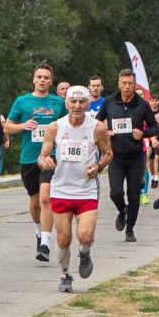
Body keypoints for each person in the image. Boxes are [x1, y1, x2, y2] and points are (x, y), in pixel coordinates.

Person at [39, 87, 113, 292]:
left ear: (88, 104)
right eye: (73, 102)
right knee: (63, 238)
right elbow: (43, 155)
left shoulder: (97, 128)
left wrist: (98, 167)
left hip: (86, 190)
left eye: (82, 102)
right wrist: (44, 161)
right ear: (67, 103)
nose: (77, 106)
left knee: (85, 236)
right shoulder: (55, 127)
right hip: (61, 189)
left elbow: (108, 153)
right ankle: (65, 274)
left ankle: (85, 252)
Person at [5, 64, 67, 261]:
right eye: (39, 77)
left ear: (51, 81)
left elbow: (67, 127)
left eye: (46, 77)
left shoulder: (58, 102)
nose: (42, 80)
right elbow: (7, 126)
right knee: (34, 203)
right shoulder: (22, 101)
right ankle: (39, 231)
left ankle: (46, 244)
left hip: (51, 156)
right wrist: (23, 125)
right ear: (33, 79)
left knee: (45, 198)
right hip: (29, 158)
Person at [95, 70, 159, 242]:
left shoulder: (142, 105)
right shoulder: (109, 102)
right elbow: (96, 123)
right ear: (119, 84)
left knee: (133, 195)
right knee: (115, 192)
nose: (127, 87)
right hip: (115, 156)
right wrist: (105, 131)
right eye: (124, 83)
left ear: (135, 84)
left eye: (130, 83)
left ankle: (130, 229)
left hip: (136, 157)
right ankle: (122, 210)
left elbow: (155, 127)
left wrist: (144, 134)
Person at [146, 93, 159, 191]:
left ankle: (156, 178)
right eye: (152, 100)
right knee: (150, 160)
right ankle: (153, 176)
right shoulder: (147, 112)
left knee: (157, 157)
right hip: (149, 137)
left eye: (156, 100)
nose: (154, 102)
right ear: (150, 102)